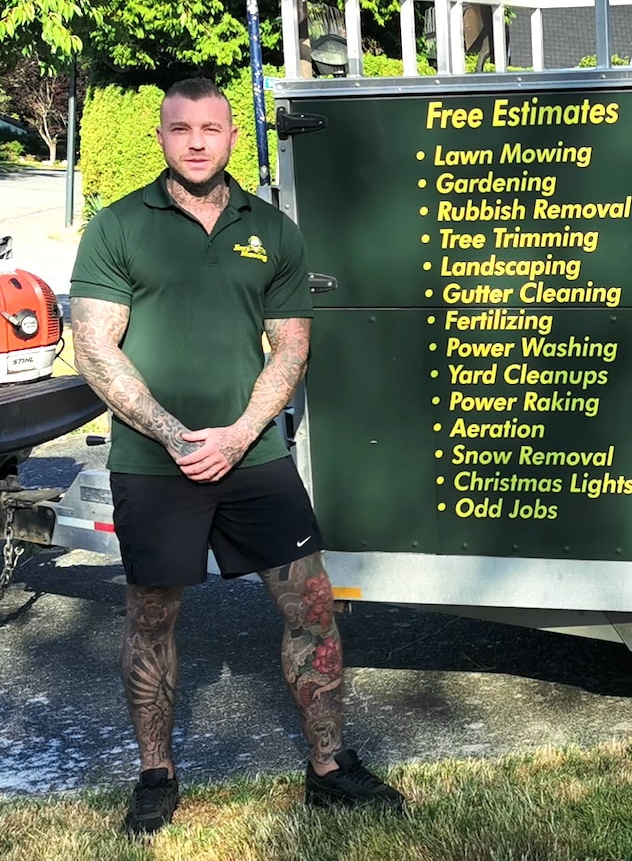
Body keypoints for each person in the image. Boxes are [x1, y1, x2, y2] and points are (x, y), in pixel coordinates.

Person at [70, 78, 405, 836]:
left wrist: (239, 430)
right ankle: (156, 775)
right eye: (180, 127)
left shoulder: (273, 230)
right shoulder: (119, 227)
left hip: (253, 455)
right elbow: (94, 346)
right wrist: (175, 433)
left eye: (211, 127)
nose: (195, 140)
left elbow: (291, 344)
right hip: (156, 463)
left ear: (231, 138)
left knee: (311, 605)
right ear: (160, 137)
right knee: (152, 618)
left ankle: (329, 768)